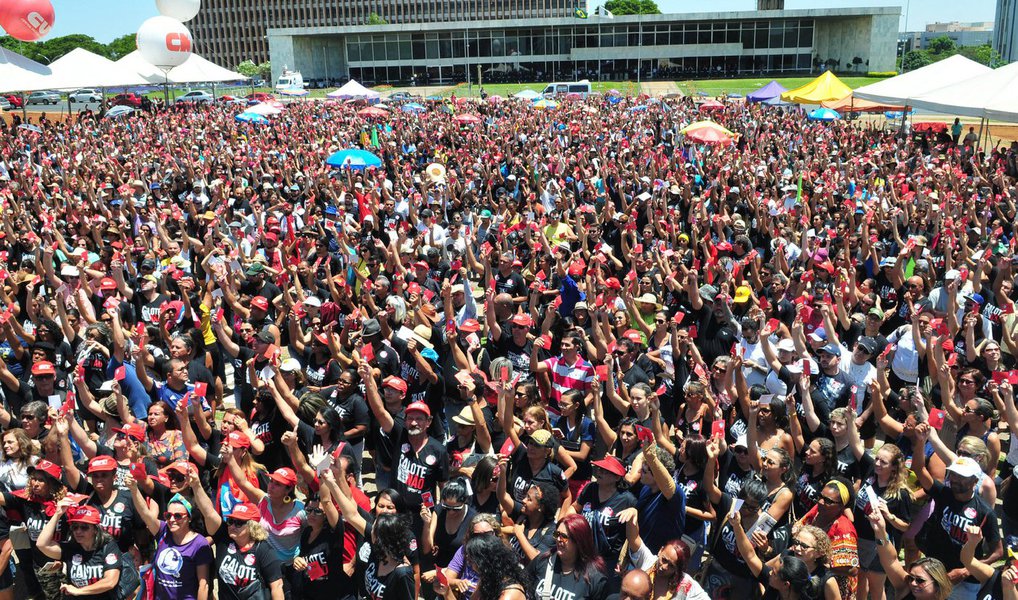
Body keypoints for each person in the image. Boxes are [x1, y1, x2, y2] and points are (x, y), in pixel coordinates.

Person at [127, 474, 213, 600]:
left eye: (178, 516)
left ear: (189, 518)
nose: (172, 520)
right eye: (168, 515)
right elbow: (145, 513)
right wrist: (134, 489)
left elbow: (203, 585)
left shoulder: (199, 543)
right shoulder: (163, 530)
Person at [36, 502, 125, 600]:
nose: (78, 531)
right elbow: (42, 544)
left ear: (95, 530)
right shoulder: (70, 548)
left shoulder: (108, 547)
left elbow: (110, 582)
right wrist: (57, 514)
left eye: (84, 527)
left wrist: (79, 591)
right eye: (75, 527)